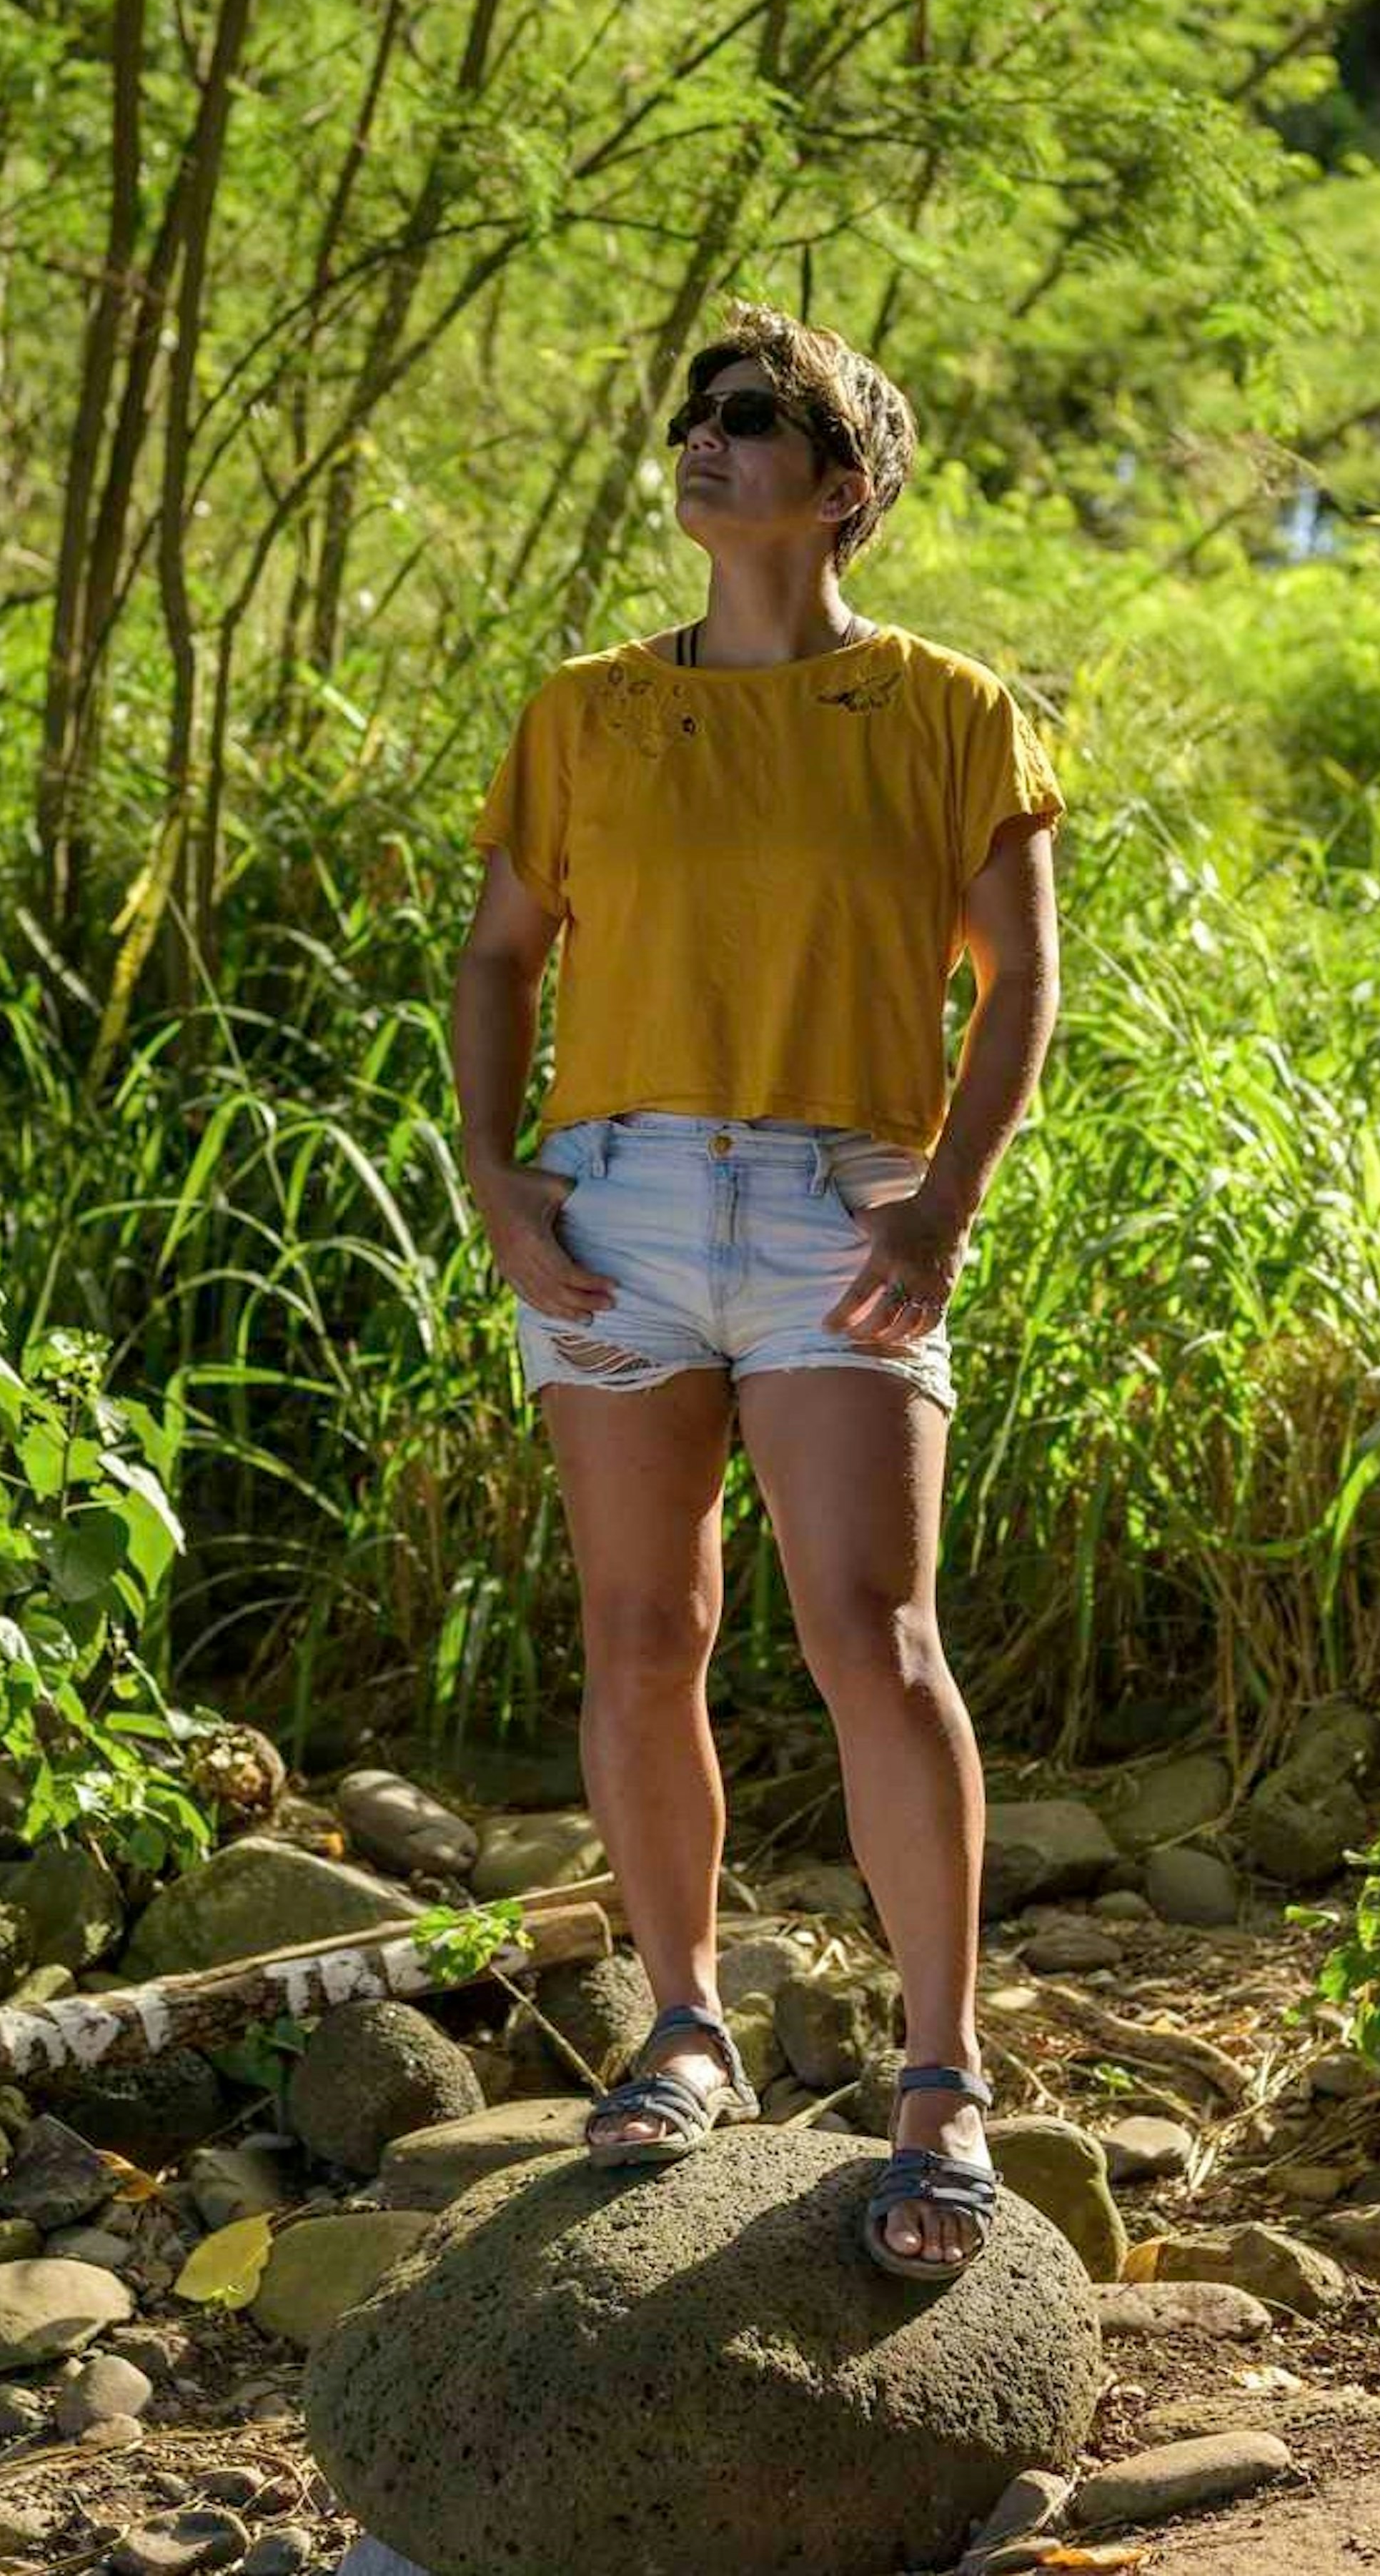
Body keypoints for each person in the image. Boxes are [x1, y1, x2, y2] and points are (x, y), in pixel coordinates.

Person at [448, 300, 1065, 2279]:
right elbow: (496, 963)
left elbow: (1020, 985)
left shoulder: (954, 712)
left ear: (846, 485)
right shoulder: (585, 713)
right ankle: (685, 2026)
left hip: (836, 1209)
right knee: (643, 1628)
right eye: (696, 419)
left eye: (751, 420)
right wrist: (497, 1183)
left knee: (872, 1633)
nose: (703, 444)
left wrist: (940, 1210)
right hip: (612, 1206)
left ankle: (944, 2080)